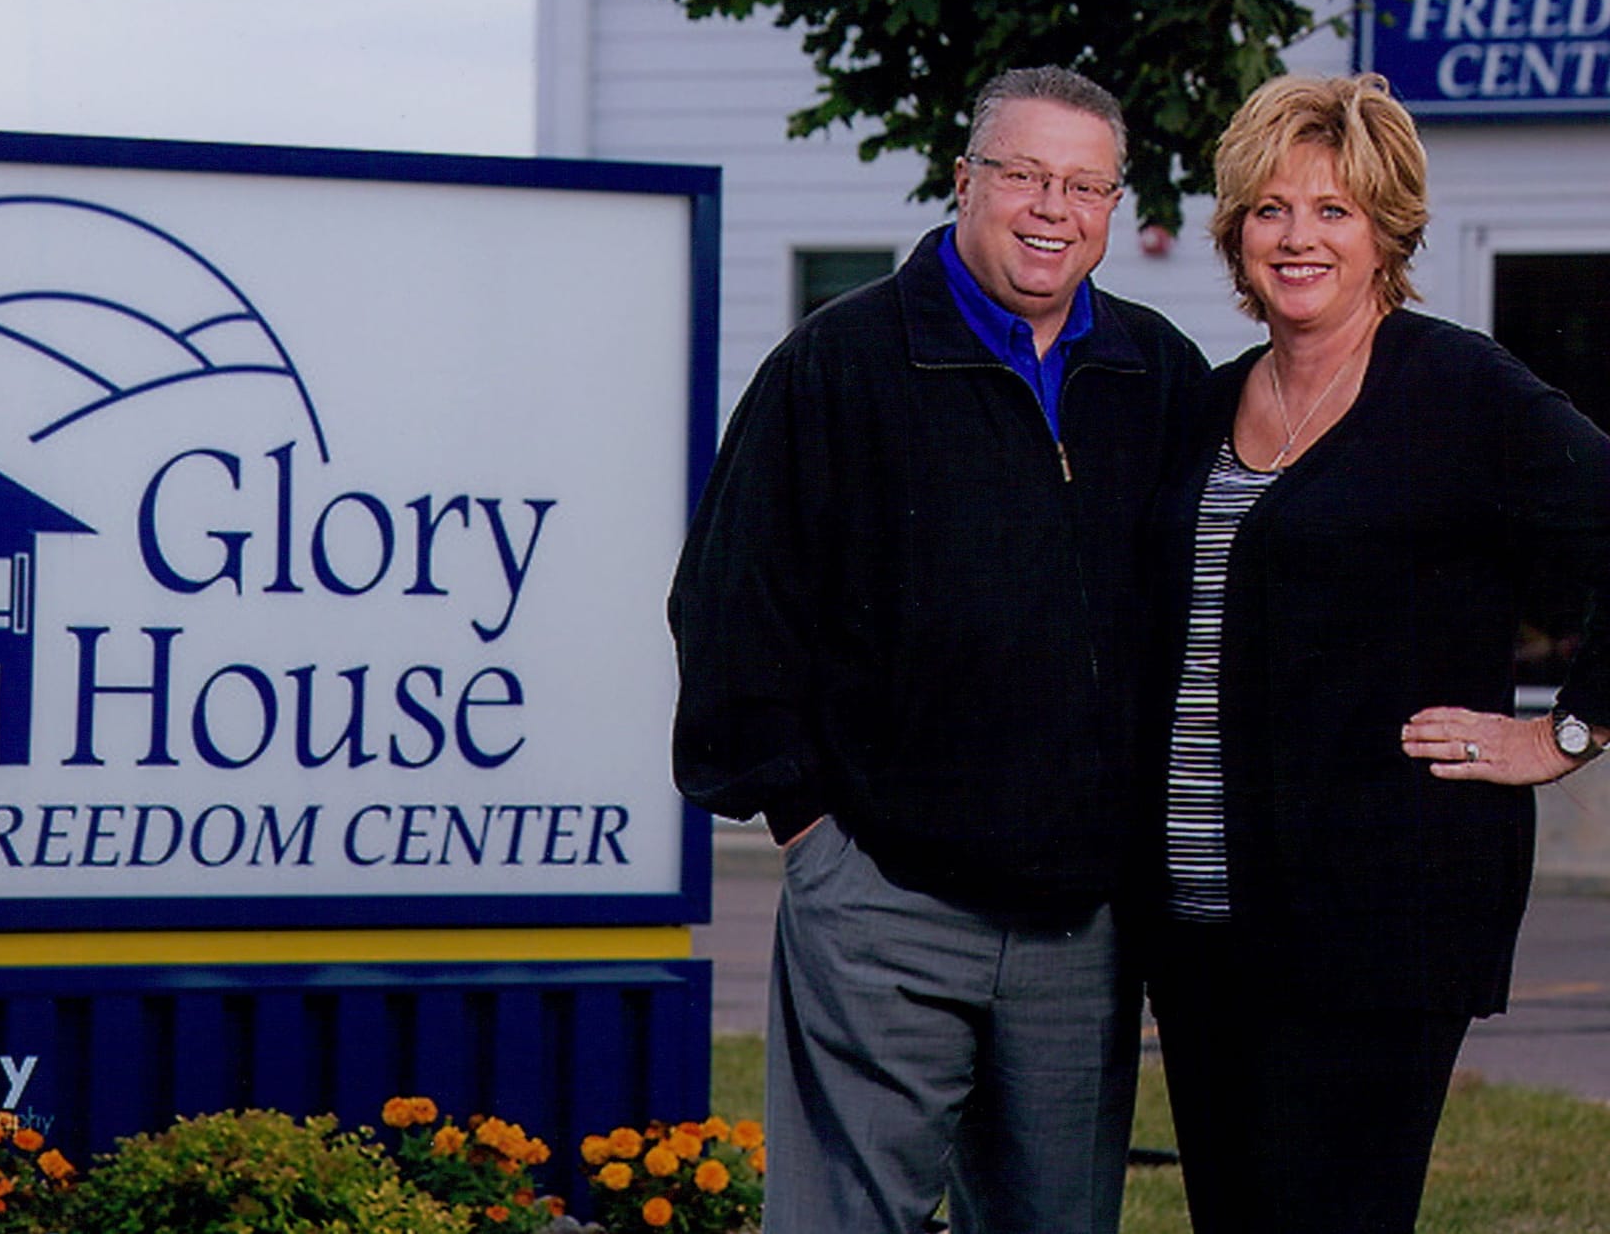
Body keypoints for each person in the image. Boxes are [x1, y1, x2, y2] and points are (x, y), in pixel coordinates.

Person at [669, 65, 1207, 1234]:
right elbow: (726, 605)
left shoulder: (1155, 378)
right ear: (964, 181)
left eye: (1084, 184)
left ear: (1114, 208)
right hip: (879, 904)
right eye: (1022, 175)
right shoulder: (837, 365)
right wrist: (807, 832)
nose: (1051, 208)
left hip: (1081, 929)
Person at [1146, 72, 1610, 1234]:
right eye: (1268, 209)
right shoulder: (1204, 407)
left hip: (1373, 926)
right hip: (1202, 925)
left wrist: (1563, 731)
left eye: (1332, 210)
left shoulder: (1458, 391)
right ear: (1233, 230)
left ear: (1386, 231)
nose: (1296, 237)